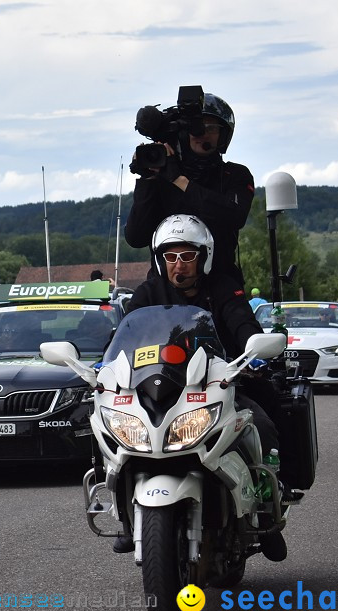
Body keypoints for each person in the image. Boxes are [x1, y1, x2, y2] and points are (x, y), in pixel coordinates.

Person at [121, 213, 286, 561]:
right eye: (170, 257)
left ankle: (266, 513)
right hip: (161, 386)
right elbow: (127, 333)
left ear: (204, 256)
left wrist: (252, 347)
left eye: (186, 256)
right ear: (159, 259)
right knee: (112, 427)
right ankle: (125, 518)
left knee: (262, 425)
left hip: (220, 381)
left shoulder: (223, 287)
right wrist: (106, 364)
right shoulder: (149, 292)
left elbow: (240, 320)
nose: (178, 265)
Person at [125, 91, 254, 286]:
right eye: (196, 129)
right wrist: (148, 179)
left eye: (210, 128)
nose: (201, 134)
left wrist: (180, 181)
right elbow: (136, 237)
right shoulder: (162, 178)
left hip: (219, 285)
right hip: (165, 289)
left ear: (223, 135)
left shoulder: (235, 175)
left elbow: (233, 217)